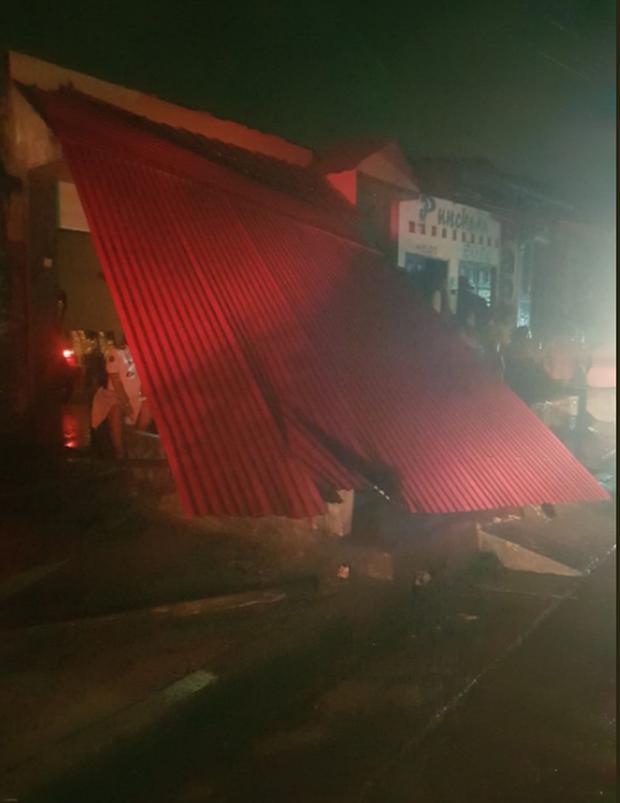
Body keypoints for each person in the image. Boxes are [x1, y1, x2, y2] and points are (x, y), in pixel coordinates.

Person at [91, 334, 152, 458]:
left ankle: (136, 440)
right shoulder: (116, 353)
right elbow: (116, 382)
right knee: (115, 410)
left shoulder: (146, 354)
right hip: (115, 395)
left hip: (137, 396)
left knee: (150, 408)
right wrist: (125, 403)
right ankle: (119, 451)